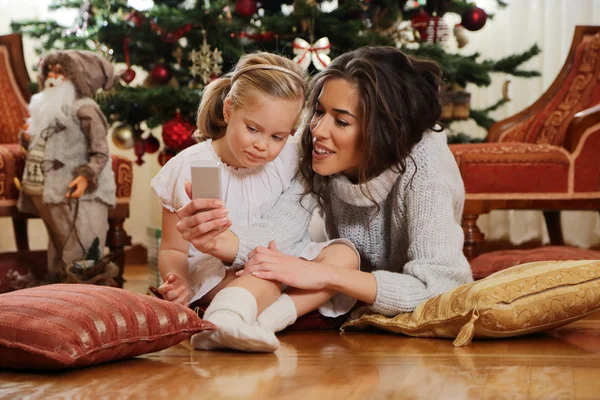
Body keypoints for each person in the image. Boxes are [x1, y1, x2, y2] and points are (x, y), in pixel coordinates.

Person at [175, 46, 474, 337]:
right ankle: (236, 325)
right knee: (279, 264)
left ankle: (261, 322)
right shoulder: (317, 145)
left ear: (384, 131)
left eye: (341, 121)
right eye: (318, 111)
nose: (317, 129)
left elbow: (441, 285)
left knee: (318, 263)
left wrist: (327, 275)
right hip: (348, 285)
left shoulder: (426, 169)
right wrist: (214, 241)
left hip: (363, 291)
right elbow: (281, 229)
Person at [151, 52, 360, 353]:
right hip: (224, 274)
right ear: (228, 111)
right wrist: (178, 281)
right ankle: (224, 319)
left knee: (345, 258)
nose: (263, 145)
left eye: (277, 136)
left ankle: (264, 322)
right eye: (252, 129)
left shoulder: (290, 157)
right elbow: (173, 248)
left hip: (284, 260)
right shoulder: (201, 169)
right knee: (265, 275)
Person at [18, 50, 118, 285]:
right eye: (50, 71)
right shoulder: (47, 107)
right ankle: (58, 294)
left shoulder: (84, 108)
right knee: (60, 246)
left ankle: (88, 297)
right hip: (50, 193)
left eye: (61, 72)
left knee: (84, 245)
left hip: (80, 195)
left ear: (78, 77)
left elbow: (100, 151)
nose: (53, 76)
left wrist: (86, 176)